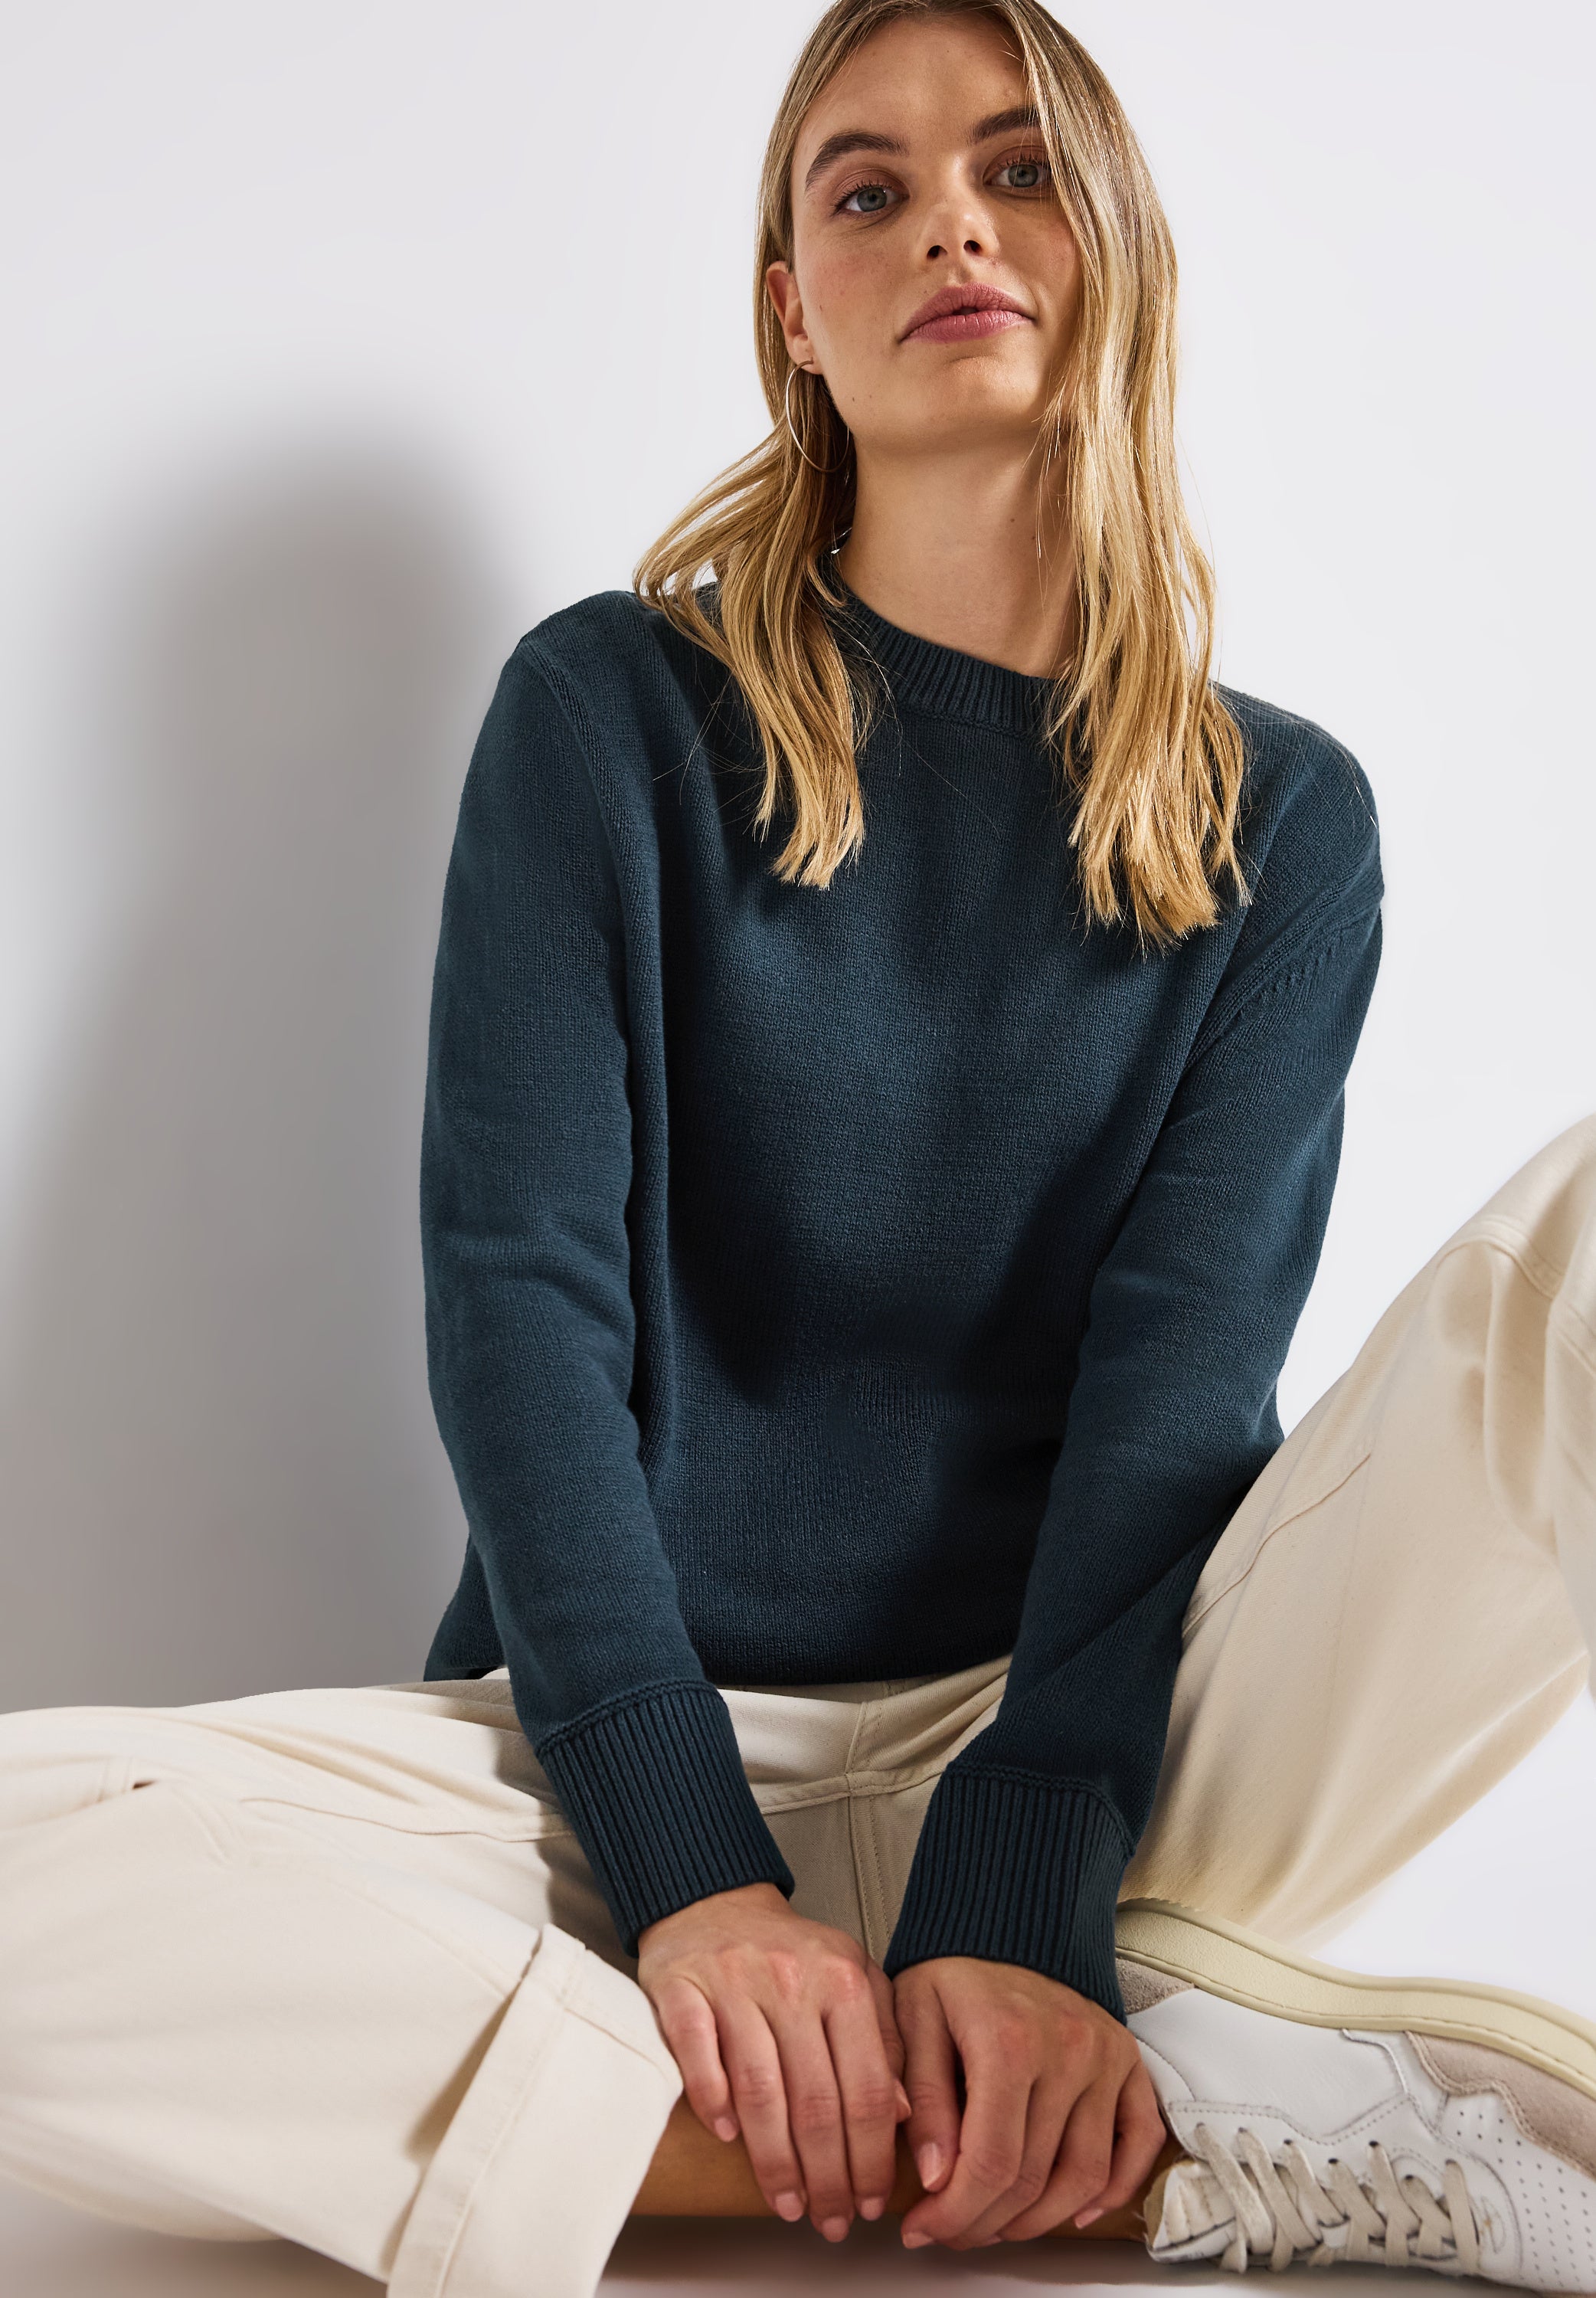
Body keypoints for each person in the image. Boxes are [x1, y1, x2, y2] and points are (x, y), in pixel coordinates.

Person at [2, 1, 1593, 2293]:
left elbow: (1176, 1393)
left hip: (1110, 1742)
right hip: (618, 1756)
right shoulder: (608, 717)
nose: (949, 220)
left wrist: (1018, 1891)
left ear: (1119, 245)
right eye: (868, 189)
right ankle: (1163, 2143)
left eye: (1019, 168)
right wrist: (695, 1881)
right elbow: (523, 1317)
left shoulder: (1284, 820)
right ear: (792, 313)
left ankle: (1009, 2024)